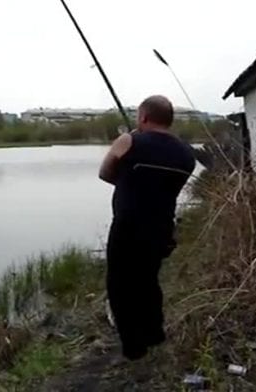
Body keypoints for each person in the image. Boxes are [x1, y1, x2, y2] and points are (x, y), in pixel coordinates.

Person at [99, 95, 196, 360]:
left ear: (142, 117)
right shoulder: (187, 153)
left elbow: (105, 173)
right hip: (162, 228)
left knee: (120, 285)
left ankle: (133, 346)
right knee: (148, 280)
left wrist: (127, 162)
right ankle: (154, 333)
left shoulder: (128, 140)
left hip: (128, 227)